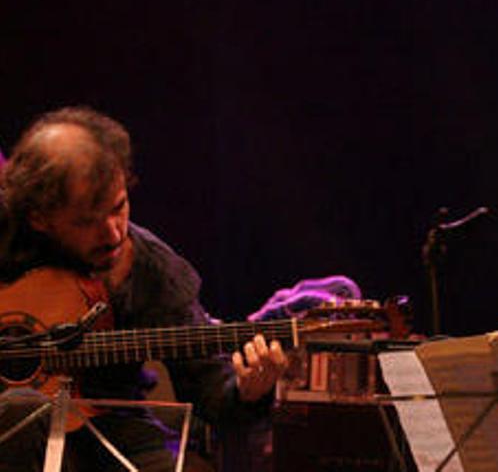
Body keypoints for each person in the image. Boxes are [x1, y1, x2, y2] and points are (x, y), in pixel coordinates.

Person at [0, 106, 287, 471]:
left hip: (109, 426)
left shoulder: (152, 269)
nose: (113, 232)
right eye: (87, 221)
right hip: (12, 427)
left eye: (118, 207)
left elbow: (209, 390)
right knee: (23, 408)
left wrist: (248, 392)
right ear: (38, 218)